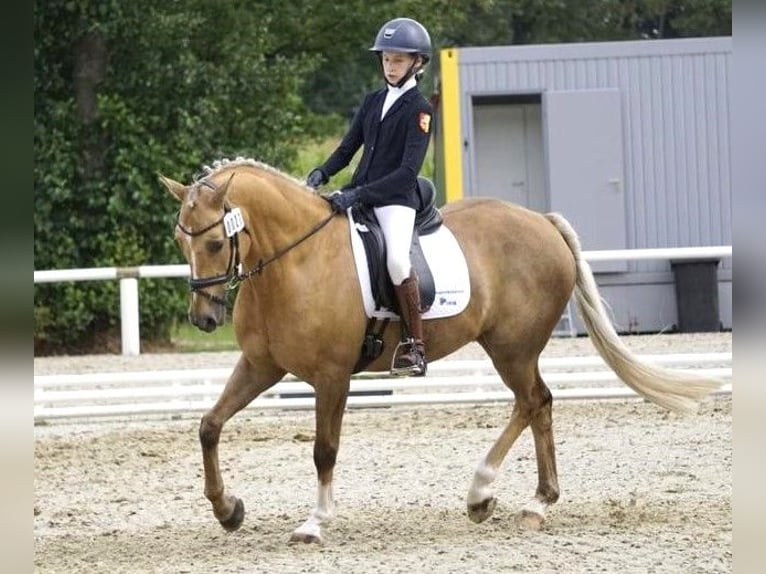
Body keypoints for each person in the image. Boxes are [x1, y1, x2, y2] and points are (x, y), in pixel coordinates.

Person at [305, 17, 433, 376]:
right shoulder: (373, 101)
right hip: (359, 195)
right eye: (386, 60)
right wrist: (320, 174)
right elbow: (347, 149)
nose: (390, 67)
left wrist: (357, 193)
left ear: (417, 63)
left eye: (398, 61)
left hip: (395, 201)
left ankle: (414, 345)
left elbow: (407, 173)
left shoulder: (420, 110)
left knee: (395, 260)